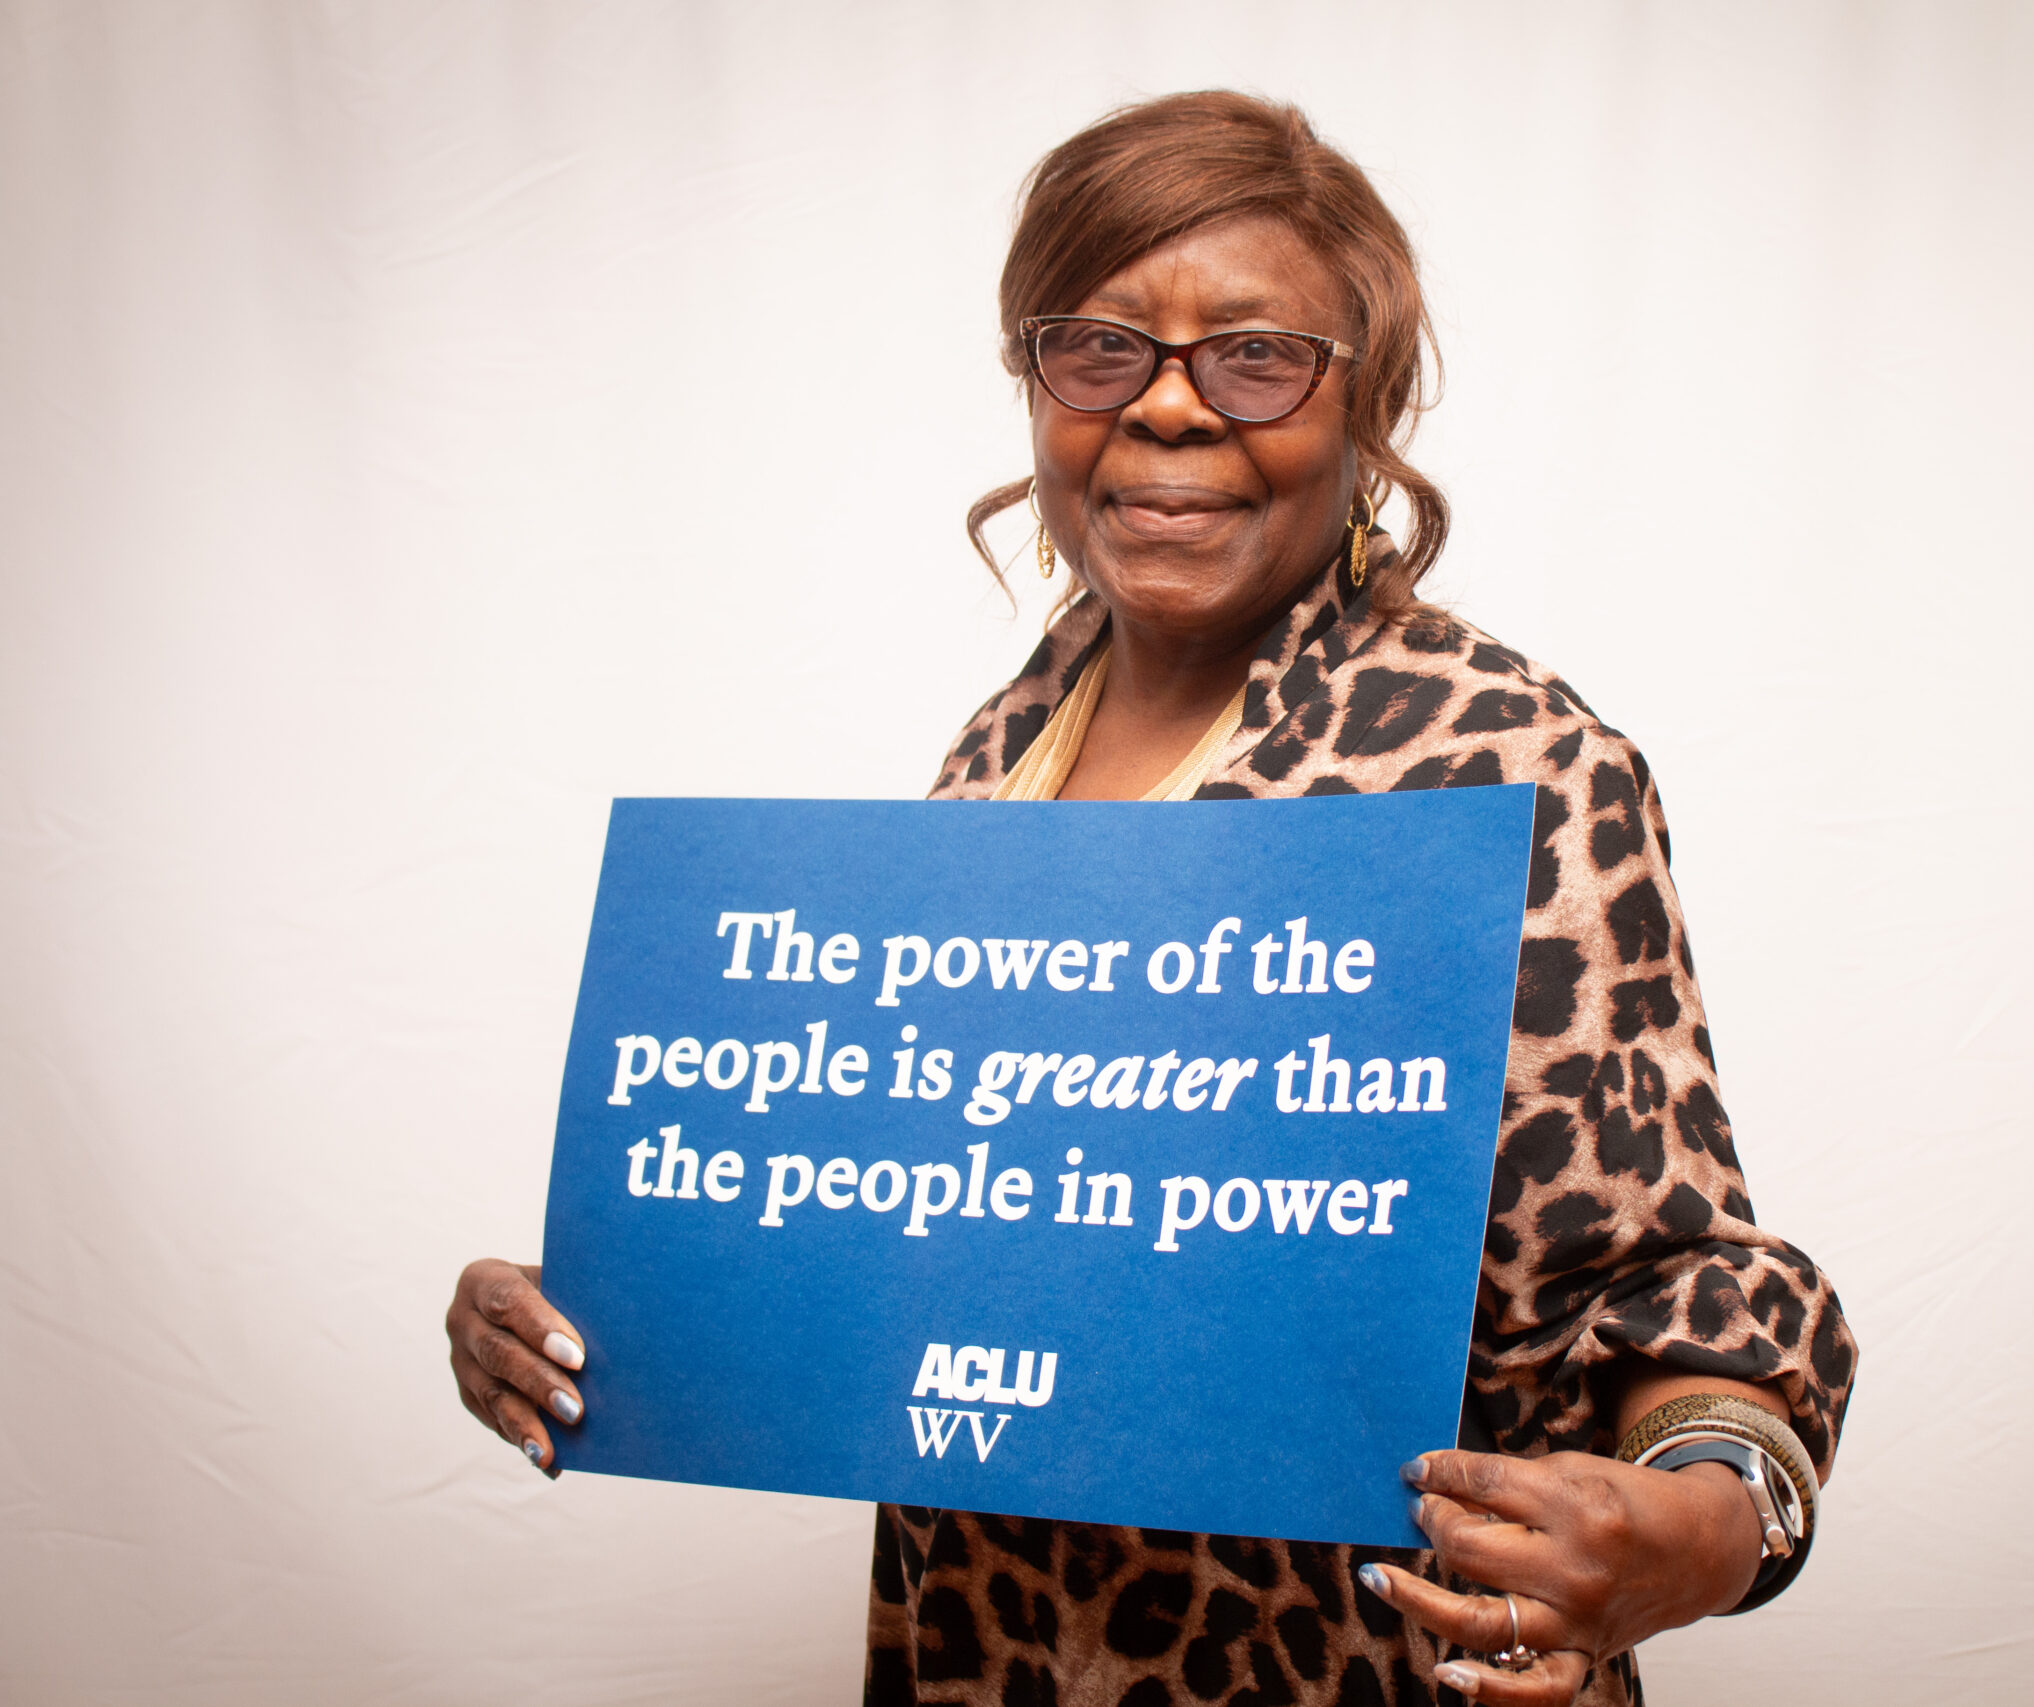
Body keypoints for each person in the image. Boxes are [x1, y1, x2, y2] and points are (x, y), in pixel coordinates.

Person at [446, 91, 1856, 1706]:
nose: (1170, 409)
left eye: (1256, 355)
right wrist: (620, 1300)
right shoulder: (994, 757)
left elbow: (1669, 1283)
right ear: (1036, 390)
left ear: (1365, 405)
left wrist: (1708, 1524)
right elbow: (924, 1220)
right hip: (987, 1662)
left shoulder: (1510, 769)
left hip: (1359, 1676)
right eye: (1102, 348)